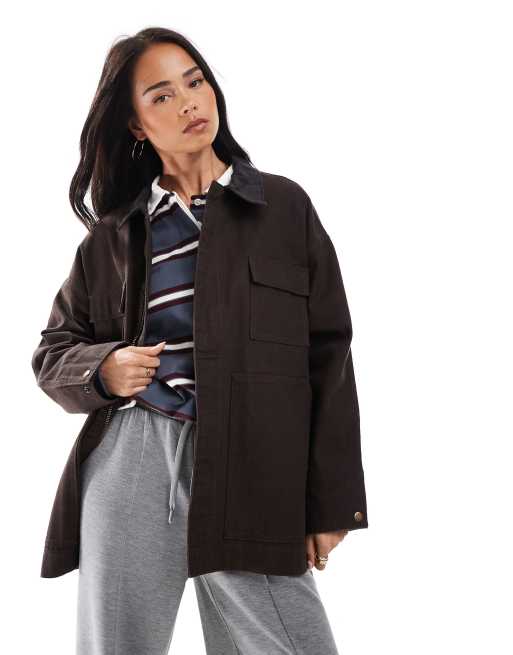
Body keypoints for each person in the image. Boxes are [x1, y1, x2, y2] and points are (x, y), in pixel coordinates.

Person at [32, 26, 368, 655]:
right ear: (136, 126)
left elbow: (330, 356)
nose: (189, 102)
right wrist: (105, 367)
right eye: (161, 96)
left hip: (253, 463)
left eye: (195, 82)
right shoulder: (113, 237)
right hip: (135, 457)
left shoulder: (283, 208)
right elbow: (53, 352)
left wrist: (331, 501)